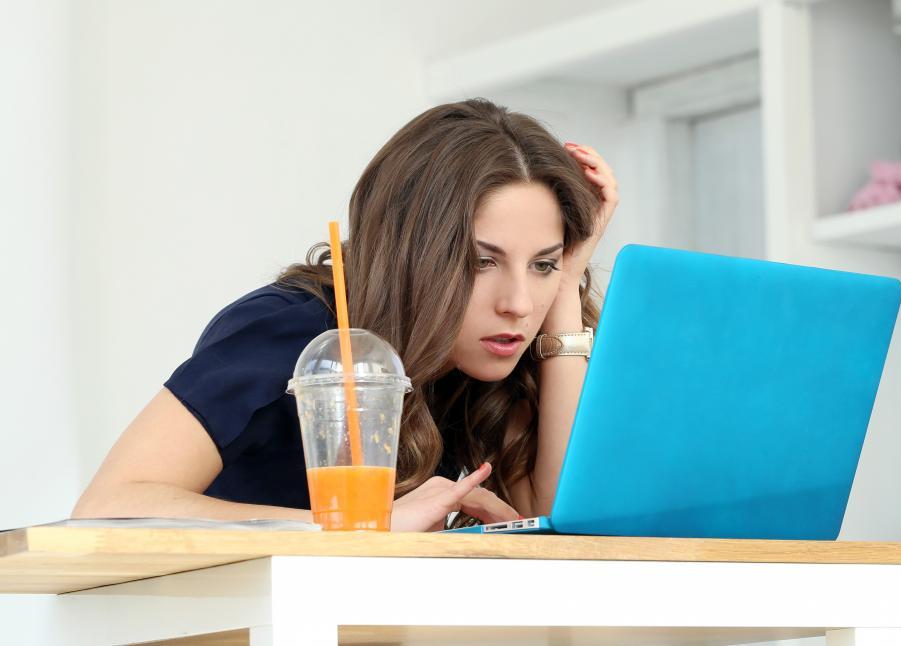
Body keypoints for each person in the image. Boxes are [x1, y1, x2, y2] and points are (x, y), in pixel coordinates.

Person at [72, 98, 619, 532]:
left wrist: (568, 285)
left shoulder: (479, 369)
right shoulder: (291, 331)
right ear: (413, 251)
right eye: (480, 261)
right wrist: (362, 527)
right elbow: (108, 505)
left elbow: (557, 516)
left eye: (542, 264)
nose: (519, 303)